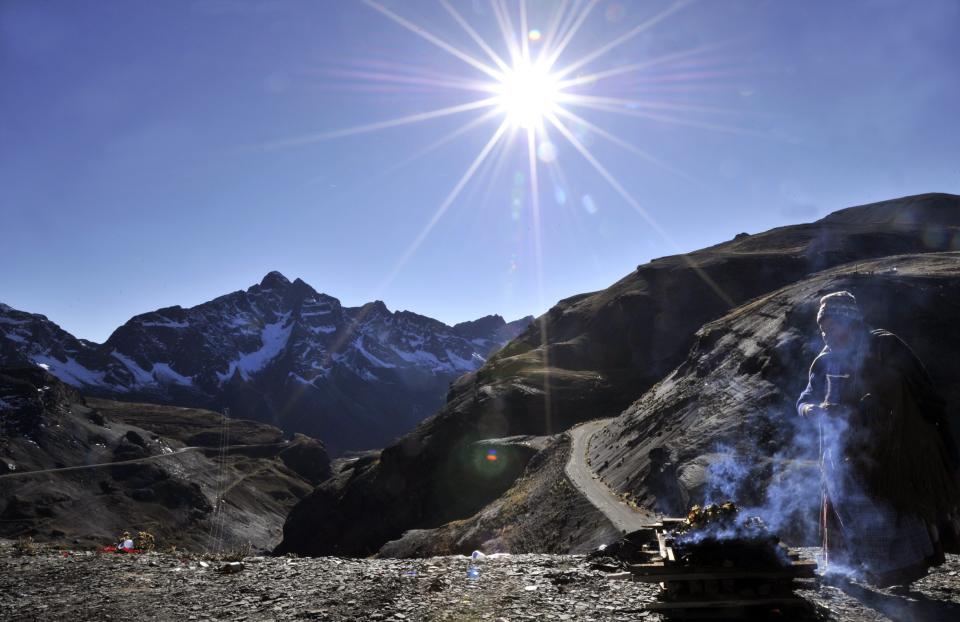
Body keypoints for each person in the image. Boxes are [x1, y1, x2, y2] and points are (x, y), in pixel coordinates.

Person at [797, 291, 960, 586]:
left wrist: (875, 399)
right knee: (848, 506)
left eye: (832, 325)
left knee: (894, 508)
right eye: (823, 328)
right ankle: (855, 570)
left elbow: (921, 391)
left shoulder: (885, 345)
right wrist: (813, 410)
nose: (827, 333)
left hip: (892, 447)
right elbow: (806, 398)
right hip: (842, 452)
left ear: (851, 321)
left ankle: (901, 572)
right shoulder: (824, 361)